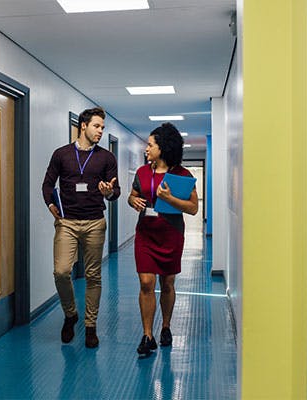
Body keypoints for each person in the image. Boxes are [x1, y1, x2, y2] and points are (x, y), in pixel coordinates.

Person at [41, 107, 120, 348]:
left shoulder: (106, 157)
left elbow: (116, 192)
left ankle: (90, 326)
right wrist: (51, 205)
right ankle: (70, 314)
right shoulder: (61, 154)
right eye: (97, 126)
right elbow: (47, 184)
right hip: (67, 223)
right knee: (62, 271)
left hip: (95, 222)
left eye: (103, 128)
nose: (100, 131)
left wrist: (109, 193)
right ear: (83, 126)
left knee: (93, 276)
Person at [127, 122, 198, 357]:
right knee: (146, 283)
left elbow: (193, 208)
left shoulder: (182, 175)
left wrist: (170, 199)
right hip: (146, 234)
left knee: (167, 284)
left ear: (163, 147)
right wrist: (132, 201)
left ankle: (165, 327)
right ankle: (147, 335)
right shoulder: (142, 172)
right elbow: (133, 195)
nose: (146, 149)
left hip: (171, 234)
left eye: (150, 145)